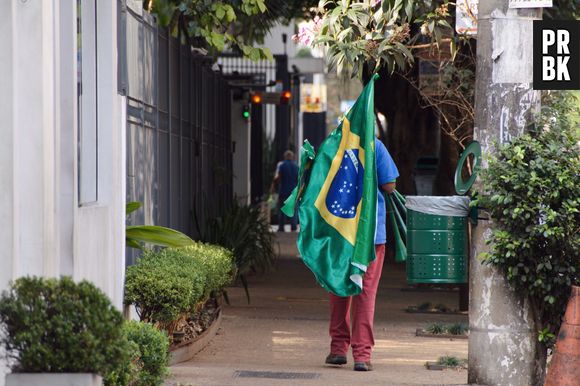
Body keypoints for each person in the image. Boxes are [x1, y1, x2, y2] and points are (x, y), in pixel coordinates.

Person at [325, 138, 399, 371]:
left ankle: (338, 349)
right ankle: (362, 355)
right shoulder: (375, 145)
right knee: (365, 293)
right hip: (370, 235)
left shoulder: (334, 143)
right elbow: (389, 185)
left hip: (340, 231)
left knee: (339, 287)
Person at [270, 150, 299, 232]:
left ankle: (281, 227)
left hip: (283, 191)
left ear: (285, 157)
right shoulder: (296, 166)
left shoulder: (282, 165)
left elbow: (278, 178)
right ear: (292, 157)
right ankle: (293, 226)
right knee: (293, 210)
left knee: (282, 209)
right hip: (293, 192)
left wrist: (274, 186)